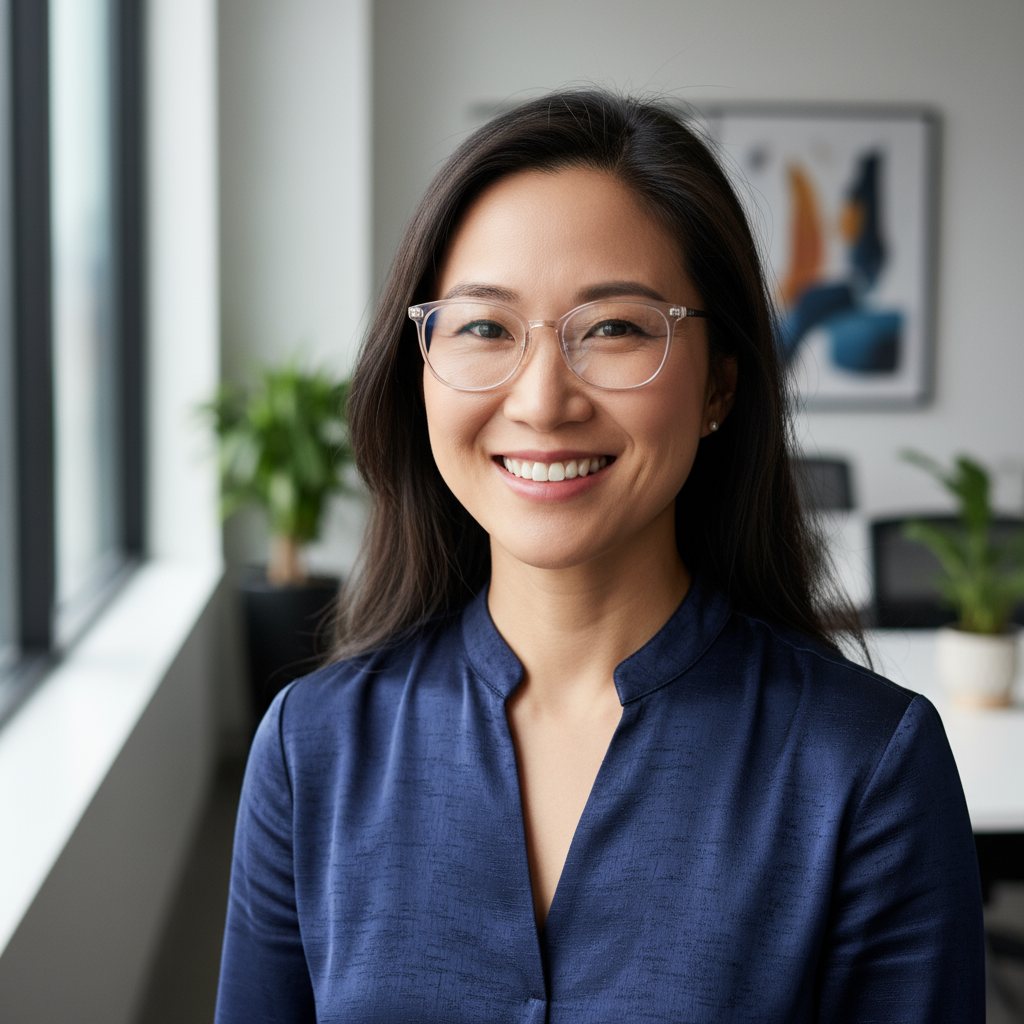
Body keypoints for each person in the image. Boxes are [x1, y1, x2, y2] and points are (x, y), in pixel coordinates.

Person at [215, 91, 985, 1022]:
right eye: (485, 327)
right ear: (417, 371)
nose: (542, 400)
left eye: (615, 328)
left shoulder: (864, 767)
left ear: (720, 385)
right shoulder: (314, 748)